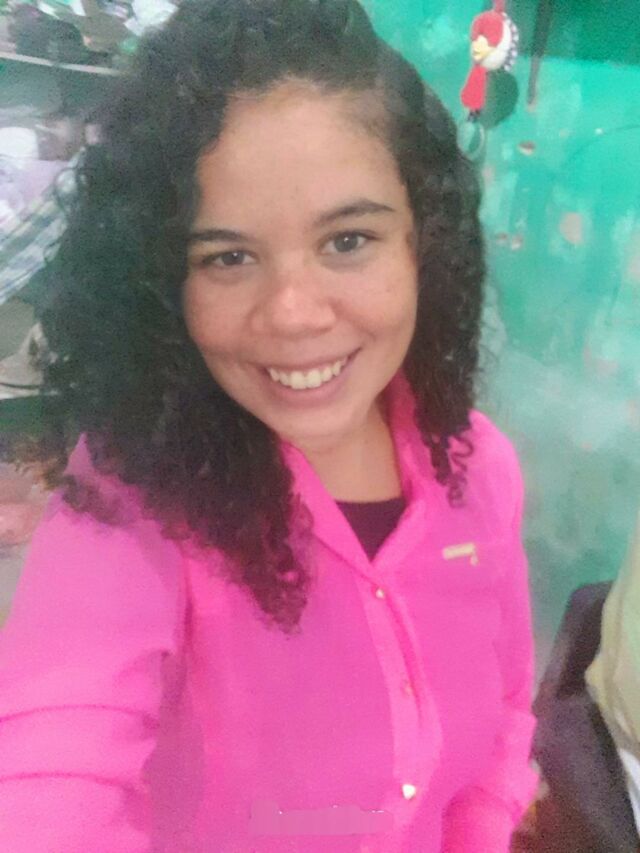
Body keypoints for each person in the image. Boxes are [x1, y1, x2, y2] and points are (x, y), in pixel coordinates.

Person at [0, 1, 538, 849]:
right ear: (162, 281)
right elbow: (50, 766)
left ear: (423, 244)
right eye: (228, 257)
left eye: (348, 241)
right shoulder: (133, 488)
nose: (293, 313)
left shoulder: (479, 468)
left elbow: (505, 719)